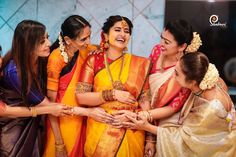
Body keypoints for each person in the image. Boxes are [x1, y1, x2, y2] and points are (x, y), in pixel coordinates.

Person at [113, 19, 199, 156]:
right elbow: (145, 83)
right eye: (161, 38)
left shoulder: (185, 69)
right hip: (145, 109)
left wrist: (143, 117)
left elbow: (173, 107)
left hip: (166, 122)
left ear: (182, 46)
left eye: (167, 42)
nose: (161, 44)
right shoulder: (157, 50)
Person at [124, 52, 236, 157]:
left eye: (177, 73)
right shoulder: (209, 79)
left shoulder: (210, 109)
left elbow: (180, 139)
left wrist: (146, 127)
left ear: (192, 82)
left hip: (217, 148)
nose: (173, 75)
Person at [75, 15, 151, 157]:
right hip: (100, 127)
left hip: (131, 126)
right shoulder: (94, 60)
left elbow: (145, 101)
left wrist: (150, 139)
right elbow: (81, 97)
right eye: (117, 30)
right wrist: (113, 94)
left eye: (127, 31)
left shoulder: (140, 64)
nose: (122, 34)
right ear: (105, 35)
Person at [44, 15, 113, 157]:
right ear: (68, 40)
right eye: (83, 39)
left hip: (82, 116)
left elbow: (104, 49)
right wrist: (58, 142)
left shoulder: (85, 50)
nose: (88, 42)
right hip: (61, 122)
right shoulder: (56, 59)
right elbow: (49, 105)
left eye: (89, 36)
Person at [0, 20, 71, 157]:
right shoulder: (15, 71)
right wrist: (59, 143)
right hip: (14, 127)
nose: (48, 44)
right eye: (41, 41)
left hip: (33, 117)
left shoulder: (39, 58)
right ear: (28, 44)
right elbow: (49, 106)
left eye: (47, 38)